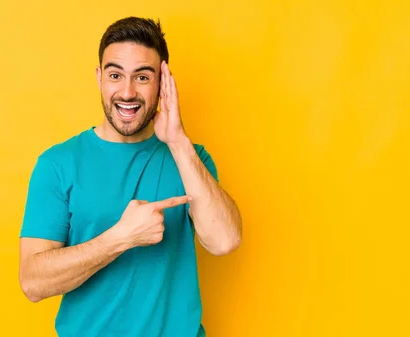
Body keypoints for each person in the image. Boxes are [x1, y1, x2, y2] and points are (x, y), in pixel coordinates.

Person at [18, 16, 242, 337]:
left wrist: (178, 141)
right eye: (115, 75)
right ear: (99, 78)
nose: (126, 92)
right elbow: (33, 282)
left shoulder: (191, 159)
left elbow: (225, 241)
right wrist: (121, 237)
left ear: (162, 82)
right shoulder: (58, 164)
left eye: (142, 77)